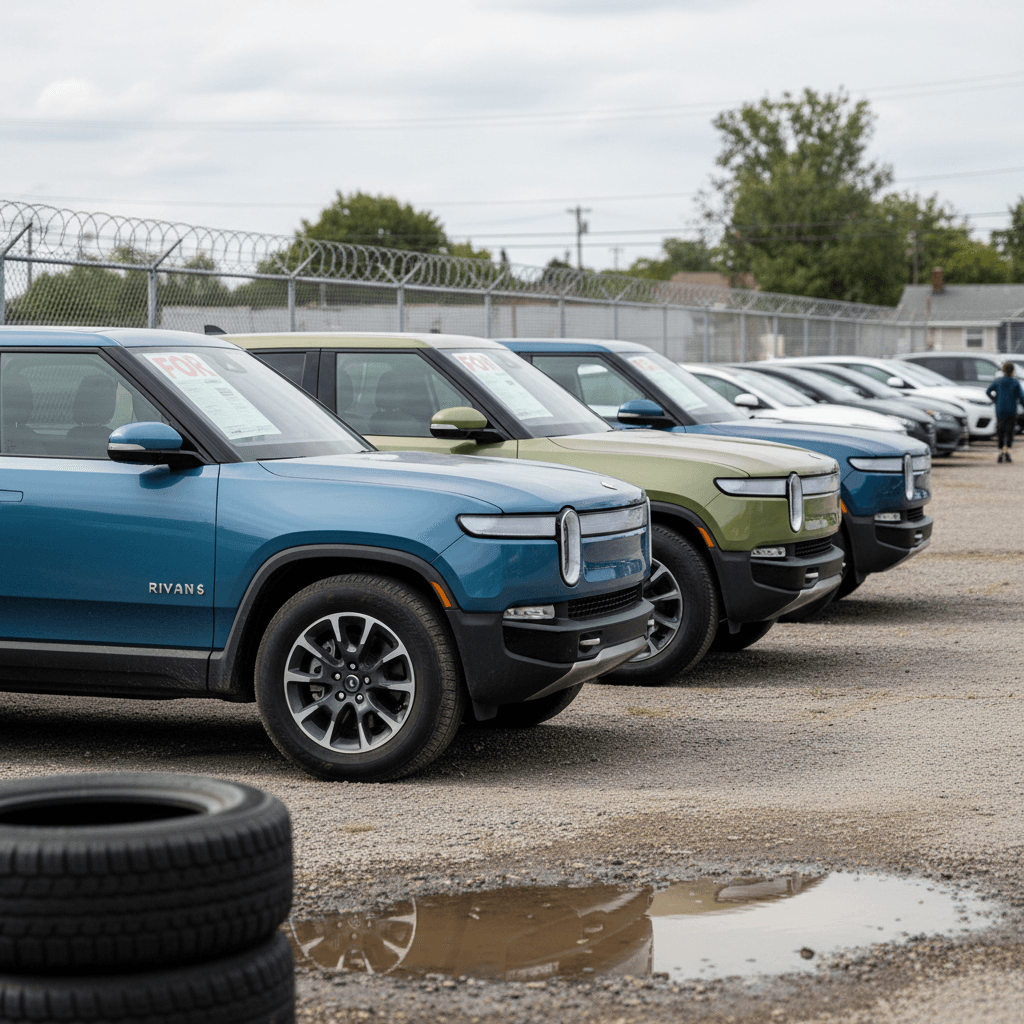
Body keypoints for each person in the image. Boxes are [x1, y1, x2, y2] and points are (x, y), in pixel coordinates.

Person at [986, 362, 1024, 463]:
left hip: (1000, 410)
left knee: (1001, 431)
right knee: (1010, 432)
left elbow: (988, 391)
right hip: (1012, 410)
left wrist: (994, 399)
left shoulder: (998, 381)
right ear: (1012, 371)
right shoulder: (1015, 382)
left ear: (1003, 370)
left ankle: (1000, 452)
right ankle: (1007, 452)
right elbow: (1021, 397)